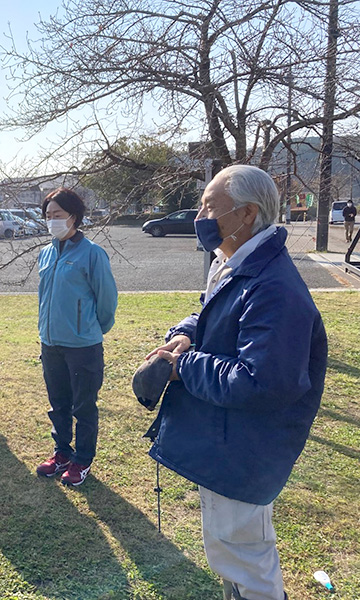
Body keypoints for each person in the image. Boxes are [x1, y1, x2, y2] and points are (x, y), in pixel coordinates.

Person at [145, 165, 327, 600]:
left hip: (247, 450)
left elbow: (259, 383)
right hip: (226, 440)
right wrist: (184, 333)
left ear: (246, 214)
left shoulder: (273, 288)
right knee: (230, 554)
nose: (200, 214)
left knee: (246, 562)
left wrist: (182, 365)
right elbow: (211, 313)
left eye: (210, 205)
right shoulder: (237, 263)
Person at [35, 189, 118, 487]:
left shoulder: (92, 253)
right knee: (58, 403)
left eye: (58, 215)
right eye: (48, 216)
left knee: (83, 406)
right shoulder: (45, 253)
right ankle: (62, 453)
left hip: (83, 346)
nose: (52, 221)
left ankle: (82, 459)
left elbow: (107, 299)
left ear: (74, 216)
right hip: (51, 343)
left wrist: (93, 329)